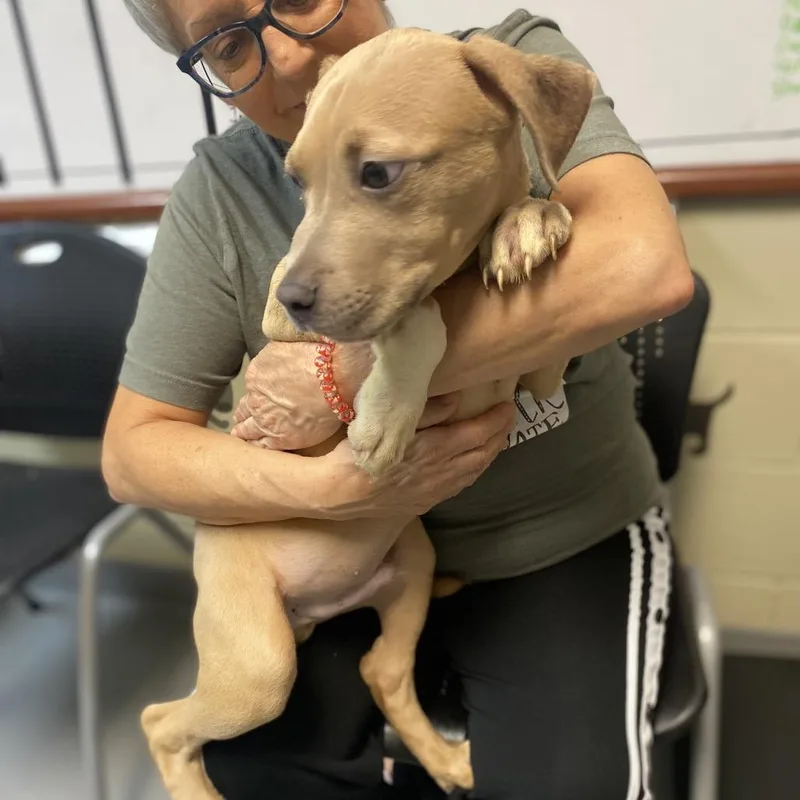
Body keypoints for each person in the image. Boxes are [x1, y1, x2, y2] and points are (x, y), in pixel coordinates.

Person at [105, 1, 694, 798]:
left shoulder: (497, 69)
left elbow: (644, 268)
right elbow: (134, 452)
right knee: (269, 769)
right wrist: (330, 488)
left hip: (555, 540)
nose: (283, 57)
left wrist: (342, 374)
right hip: (339, 543)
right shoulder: (219, 190)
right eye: (226, 43)